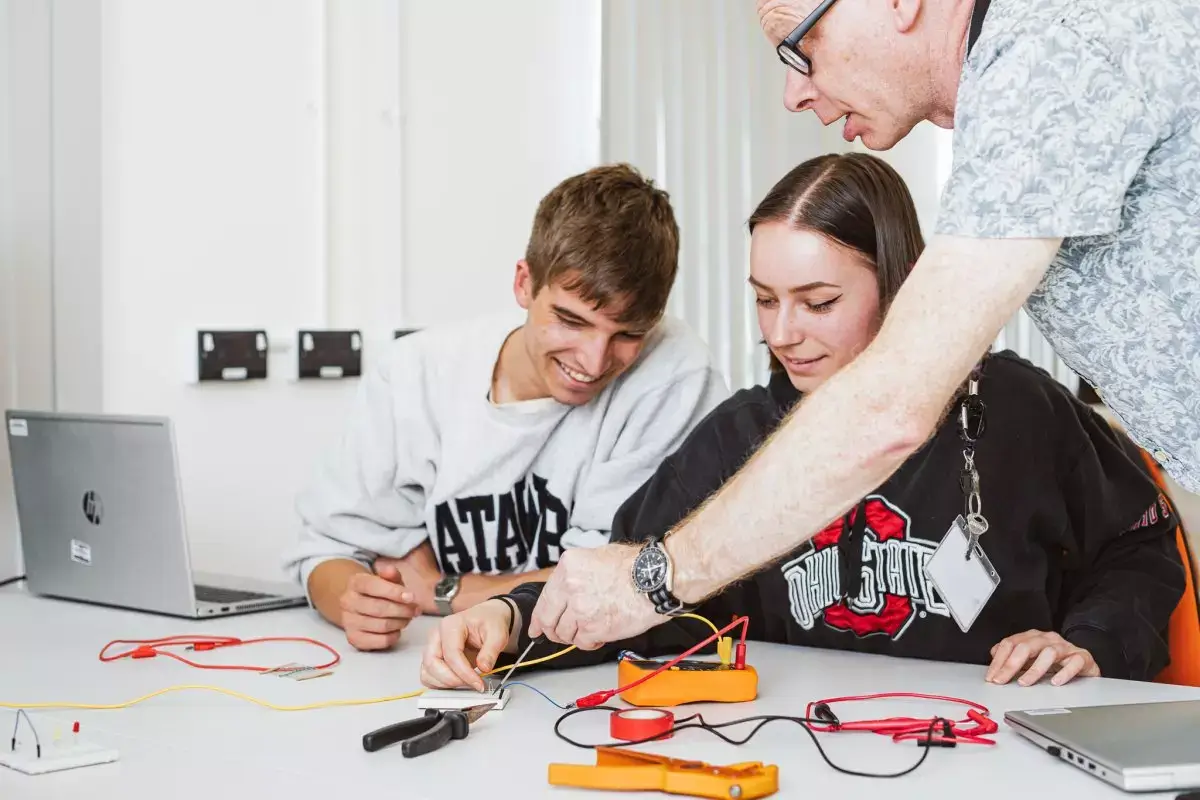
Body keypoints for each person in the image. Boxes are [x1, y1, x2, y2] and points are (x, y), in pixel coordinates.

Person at [526, 0, 1200, 648]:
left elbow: (889, 407)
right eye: (766, 298)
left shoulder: (1051, 53)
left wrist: (654, 579)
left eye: (802, 46)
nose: (792, 93)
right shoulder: (1026, 83)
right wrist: (515, 611)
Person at [420, 153, 1186, 692]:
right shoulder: (736, 433)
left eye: (818, 303)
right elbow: (635, 585)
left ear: (900, 286)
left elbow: (1141, 544)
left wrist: (1085, 643)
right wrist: (508, 618)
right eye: (764, 298)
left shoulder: (1021, 406)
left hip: (994, 749)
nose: (782, 333)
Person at [282, 163, 728, 651]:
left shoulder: (676, 374)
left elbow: (614, 586)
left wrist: (445, 591)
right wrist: (353, 601)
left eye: (628, 334)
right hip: (425, 663)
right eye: (570, 320)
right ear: (523, 283)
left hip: (593, 671)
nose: (594, 360)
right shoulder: (414, 373)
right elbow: (327, 552)